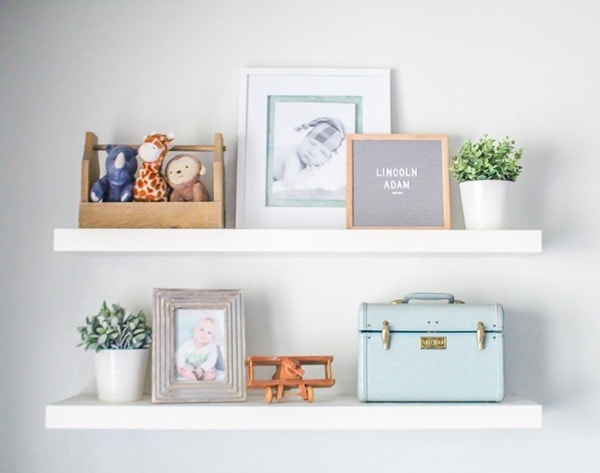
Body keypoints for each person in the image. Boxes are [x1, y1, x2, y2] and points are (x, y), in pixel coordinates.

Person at [272, 116, 346, 192]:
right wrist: (310, 171)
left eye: (323, 153)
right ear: (304, 139)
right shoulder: (293, 155)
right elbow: (288, 183)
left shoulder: (313, 159)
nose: (313, 152)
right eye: (312, 144)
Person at [176, 317, 219, 381]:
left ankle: (204, 378)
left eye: (209, 333)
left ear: (212, 338)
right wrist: (182, 365)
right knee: (183, 370)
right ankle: (193, 378)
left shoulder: (212, 347)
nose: (205, 334)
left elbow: (212, 360)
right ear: (194, 331)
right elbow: (180, 354)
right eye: (202, 330)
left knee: (212, 374)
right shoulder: (187, 344)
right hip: (190, 367)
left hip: (204, 369)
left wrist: (202, 368)